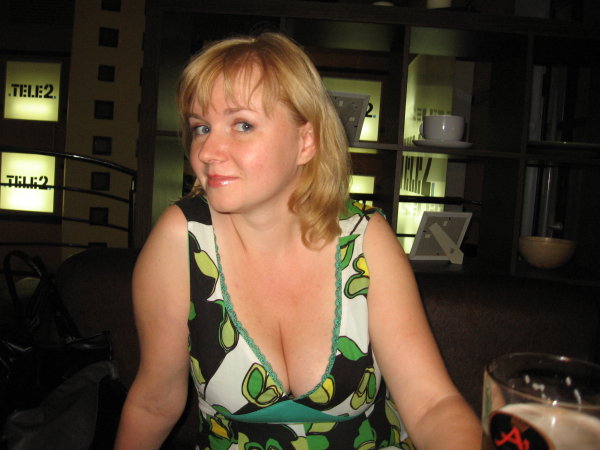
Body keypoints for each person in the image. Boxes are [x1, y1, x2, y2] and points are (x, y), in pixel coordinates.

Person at [115, 32, 481, 449]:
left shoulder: (365, 239)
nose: (208, 151)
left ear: (305, 141)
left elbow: (432, 404)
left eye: (242, 125)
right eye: (201, 127)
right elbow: (155, 403)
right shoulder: (181, 239)